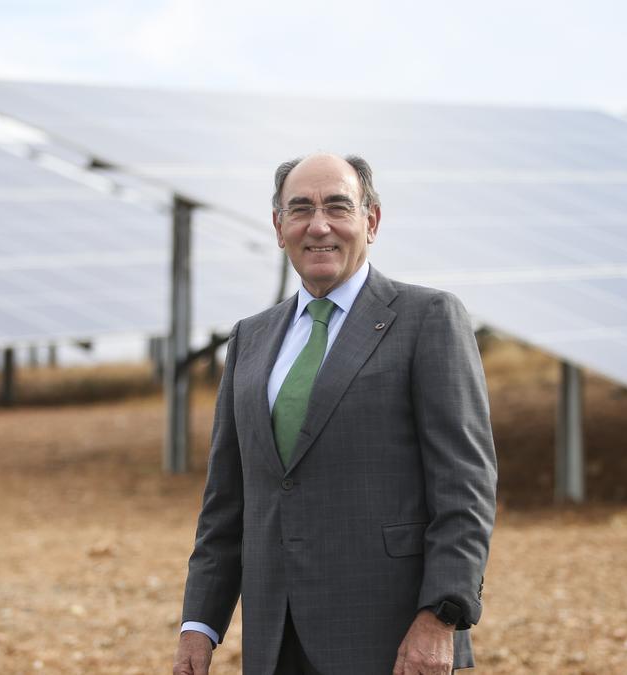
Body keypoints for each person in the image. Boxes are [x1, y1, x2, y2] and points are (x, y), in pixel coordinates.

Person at [173, 153, 497, 674]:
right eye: (299, 209)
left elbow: (465, 488)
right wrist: (199, 625)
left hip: (392, 640)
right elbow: (227, 503)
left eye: (337, 207)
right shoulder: (249, 339)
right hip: (274, 640)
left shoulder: (428, 319)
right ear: (279, 227)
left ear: (371, 221)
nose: (318, 225)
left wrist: (442, 616)